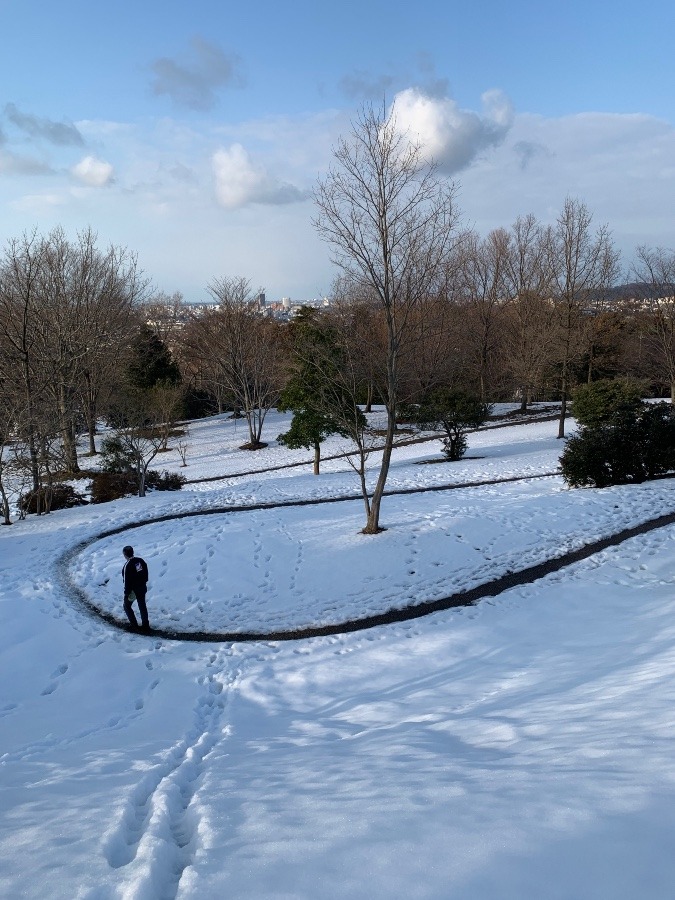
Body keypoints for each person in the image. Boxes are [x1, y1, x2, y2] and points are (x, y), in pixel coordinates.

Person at [122, 545, 150, 632]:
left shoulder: (128, 565)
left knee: (126, 606)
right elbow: (143, 574)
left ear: (125, 554)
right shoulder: (139, 561)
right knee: (142, 606)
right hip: (142, 588)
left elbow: (127, 581)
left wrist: (127, 593)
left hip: (133, 591)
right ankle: (146, 626)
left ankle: (134, 625)